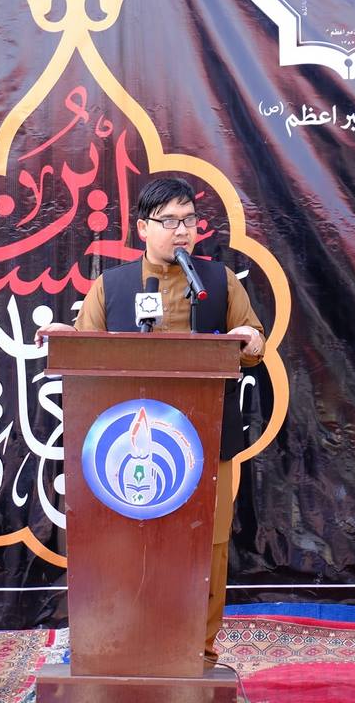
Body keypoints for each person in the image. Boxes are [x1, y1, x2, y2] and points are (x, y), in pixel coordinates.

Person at [35, 176, 265, 664]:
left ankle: (197, 655)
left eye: (190, 220)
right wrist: (66, 339)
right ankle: (116, 649)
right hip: (125, 446)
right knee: (125, 545)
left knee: (208, 545)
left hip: (205, 444)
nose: (182, 231)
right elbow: (85, 352)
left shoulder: (219, 282)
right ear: (143, 228)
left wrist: (251, 338)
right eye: (170, 221)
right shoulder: (111, 286)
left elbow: (253, 344)